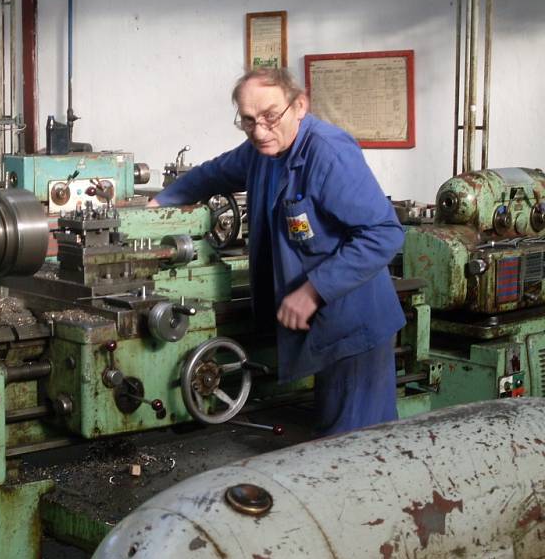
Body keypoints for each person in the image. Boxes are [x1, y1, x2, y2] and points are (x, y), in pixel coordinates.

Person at [148, 67, 406, 436]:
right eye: (248, 121)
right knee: (330, 442)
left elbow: (384, 233)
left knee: (356, 447)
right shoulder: (261, 151)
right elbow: (210, 174)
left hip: (353, 323)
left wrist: (313, 290)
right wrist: (156, 207)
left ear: (299, 105)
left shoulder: (328, 154)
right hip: (317, 325)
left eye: (270, 116)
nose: (259, 130)